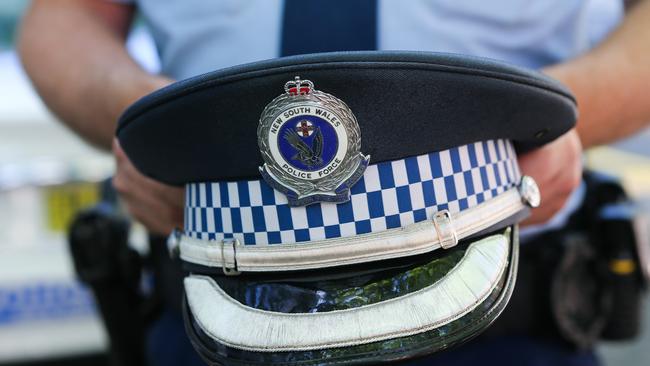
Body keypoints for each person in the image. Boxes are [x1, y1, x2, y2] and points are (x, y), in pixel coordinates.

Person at [17, 1, 650, 365]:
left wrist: (556, 114)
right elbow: (64, 19)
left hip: (502, 298)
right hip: (216, 299)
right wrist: (141, 120)